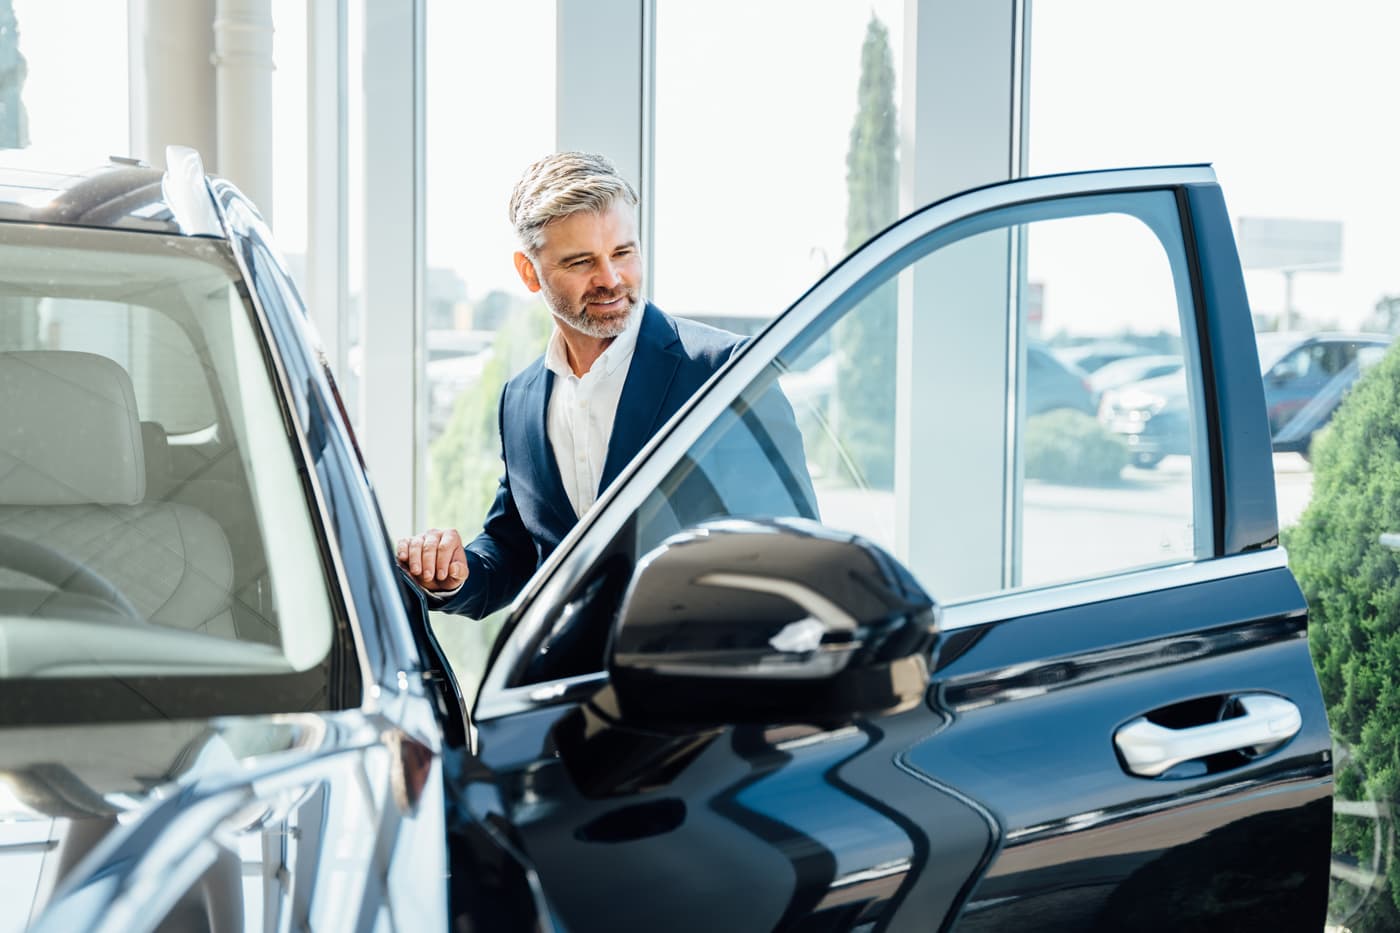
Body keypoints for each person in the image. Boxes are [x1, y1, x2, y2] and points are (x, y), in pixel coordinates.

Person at [397, 151, 811, 619]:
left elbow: (795, 557)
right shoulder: (521, 398)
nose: (611, 279)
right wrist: (456, 575)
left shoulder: (726, 373)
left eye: (622, 252)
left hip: (703, 685)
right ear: (529, 271)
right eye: (581, 262)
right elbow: (517, 549)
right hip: (571, 686)